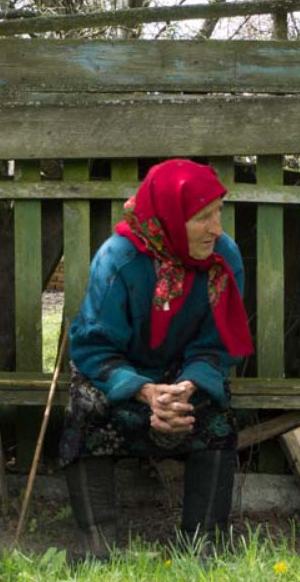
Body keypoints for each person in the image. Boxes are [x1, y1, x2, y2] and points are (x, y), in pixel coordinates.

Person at [59, 159, 252, 559]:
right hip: (122, 370)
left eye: (219, 212)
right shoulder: (119, 258)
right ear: (169, 217)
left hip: (184, 375)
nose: (216, 228)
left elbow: (218, 344)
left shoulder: (223, 258)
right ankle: (97, 545)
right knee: (86, 405)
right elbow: (94, 346)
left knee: (216, 410)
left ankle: (203, 544)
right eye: (203, 217)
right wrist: (146, 391)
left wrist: (185, 388)